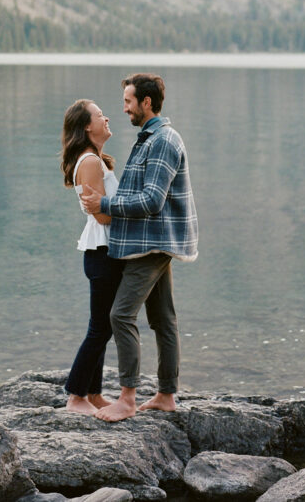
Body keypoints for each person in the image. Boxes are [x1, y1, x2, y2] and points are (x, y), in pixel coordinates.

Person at [81, 73, 198, 421]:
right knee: (163, 318)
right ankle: (165, 395)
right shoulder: (148, 139)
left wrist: (105, 205)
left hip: (152, 243)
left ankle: (127, 399)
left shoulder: (162, 140)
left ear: (147, 103)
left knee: (120, 315)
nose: (125, 108)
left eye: (129, 101)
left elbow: (151, 200)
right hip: (152, 241)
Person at [61, 98, 124, 415]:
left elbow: (104, 207)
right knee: (101, 327)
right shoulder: (88, 162)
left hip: (105, 251)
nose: (107, 117)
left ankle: (94, 393)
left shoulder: (96, 160)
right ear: (87, 126)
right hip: (102, 251)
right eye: (100, 115)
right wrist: (135, 213)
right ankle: (76, 396)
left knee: (103, 325)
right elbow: (102, 217)